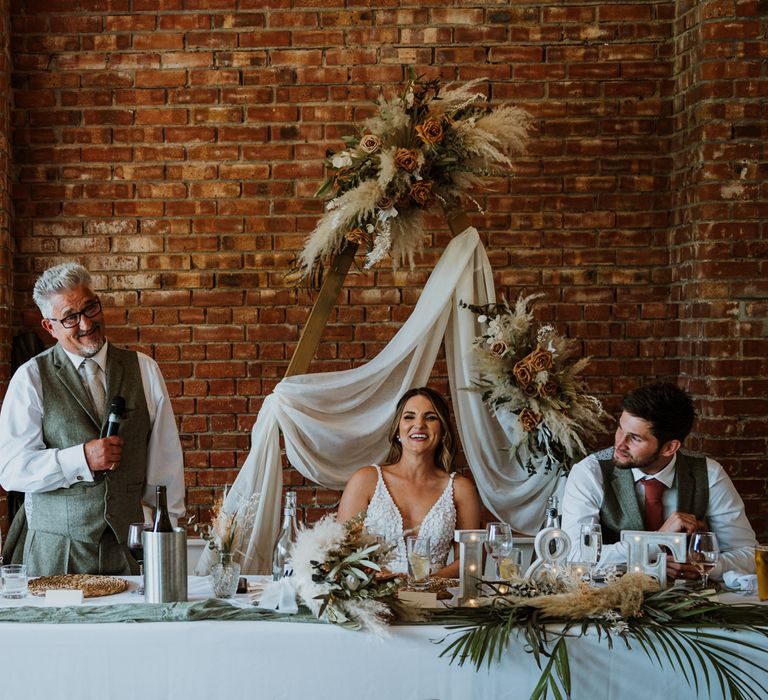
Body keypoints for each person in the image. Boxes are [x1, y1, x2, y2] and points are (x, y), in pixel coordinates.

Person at [0, 262, 185, 576]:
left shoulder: (144, 369)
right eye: (71, 317)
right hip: (56, 555)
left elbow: (166, 466)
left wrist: (165, 534)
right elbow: (11, 470)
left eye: (91, 308)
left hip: (131, 551)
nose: (86, 323)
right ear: (50, 326)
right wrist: (80, 458)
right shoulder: (30, 377)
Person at [561, 382, 757, 582]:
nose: (619, 444)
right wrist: (658, 540)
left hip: (692, 603)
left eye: (635, 438)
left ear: (670, 448)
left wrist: (708, 566)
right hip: (611, 602)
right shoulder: (590, 473)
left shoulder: (708, 473)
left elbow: (749, 554)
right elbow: (575, 557)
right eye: (620, 429)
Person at [337, 386, 481, 578]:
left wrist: (422, 586)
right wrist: (383, 581)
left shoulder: (460, 488)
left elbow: (470, 560)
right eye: (409, 417)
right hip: (376, 599)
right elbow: (340, 551)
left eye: (430, 417)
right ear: (398, 428)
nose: (419, 424)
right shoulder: (366, 480)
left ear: (443, 429)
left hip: (437, 601)